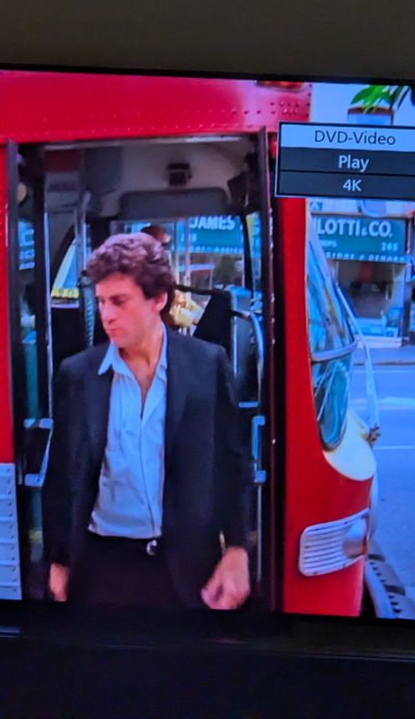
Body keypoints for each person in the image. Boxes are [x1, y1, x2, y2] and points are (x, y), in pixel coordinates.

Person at [42, 232, 252, 610]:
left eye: (119, 301)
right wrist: (58, 561)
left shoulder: (206, 365)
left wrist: (237, 548)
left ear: (158, 299)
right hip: (101, 566)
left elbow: (232, 463)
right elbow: (61, 476)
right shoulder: (78, 375)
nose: (106, 314)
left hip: (186, 568)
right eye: (102, 301)